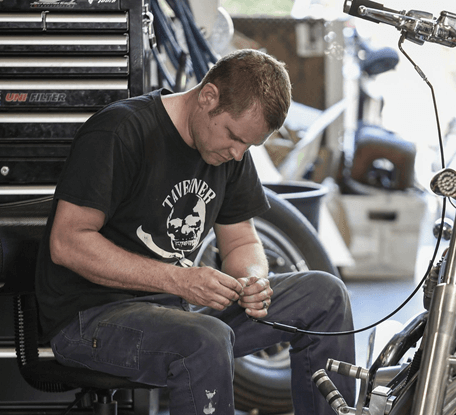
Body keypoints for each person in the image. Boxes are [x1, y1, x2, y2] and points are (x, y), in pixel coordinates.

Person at [35, 49, 355, 415]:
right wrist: (180, 280)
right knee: (205, 339)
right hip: (90, 319)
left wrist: (253, 279)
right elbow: (67, 242)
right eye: (234, 137)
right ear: (208, 97)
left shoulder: (230, 153)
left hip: (178, 308)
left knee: (325, 295)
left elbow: (243, 241)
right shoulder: (120, 131)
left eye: (249, 145)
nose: (238, 154)